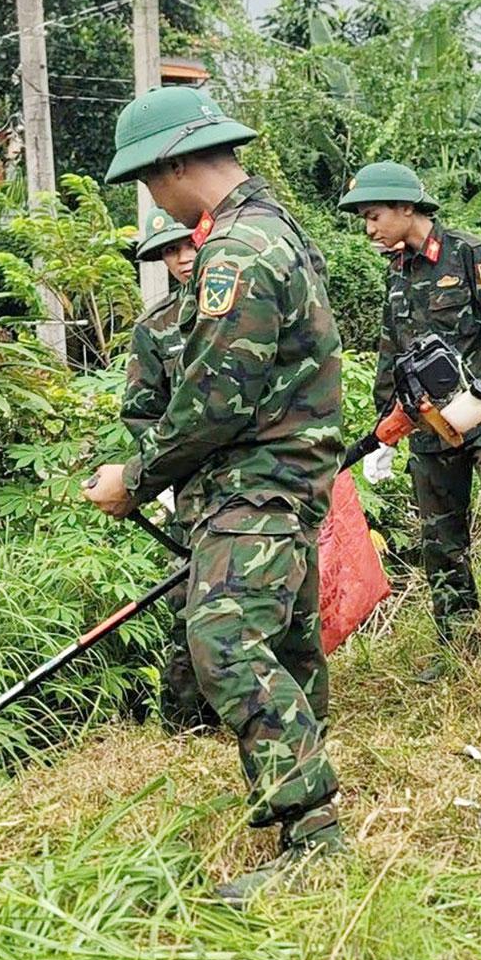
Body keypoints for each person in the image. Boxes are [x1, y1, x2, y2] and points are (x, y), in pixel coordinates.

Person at [84, 85, 346, 901]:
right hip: (292, 476)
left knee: (224, 641)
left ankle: (314, 838)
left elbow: (217, 397)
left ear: (172, 167)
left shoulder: (236, 251)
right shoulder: (279, 229)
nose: (154, 198)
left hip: (256, 479)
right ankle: (306, 786)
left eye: (150, 180)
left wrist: (138, 478)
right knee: (291, 643)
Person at [336, 161, 481, 680]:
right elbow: (392, 353)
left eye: (375, 215)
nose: (369, 228)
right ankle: (460, 650)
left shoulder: (469, 255)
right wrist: (385, 429)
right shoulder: (396, 272)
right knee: (440, 544)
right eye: (363, 218)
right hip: (429, 428)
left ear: (408, 208)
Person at [120, 207, 217, 729]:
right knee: (187, 598)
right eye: (169, 251)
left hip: (255, 478)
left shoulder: (243, 304)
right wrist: (156, 472)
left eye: (188, 245)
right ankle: (186, 721)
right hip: (191, 488)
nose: (182, 258)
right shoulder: (155, 327)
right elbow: (141, 411)